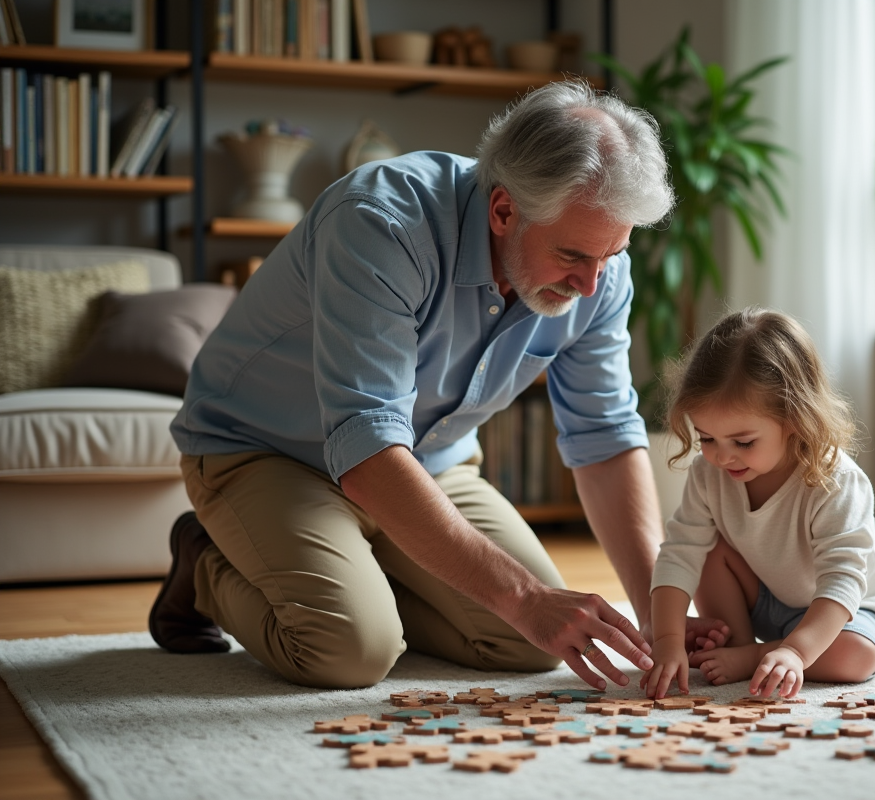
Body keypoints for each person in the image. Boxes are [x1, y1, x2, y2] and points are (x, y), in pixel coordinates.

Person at [151, 79, 728, 691]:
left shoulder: (599, 271)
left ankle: (366, 570)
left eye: (609, 256)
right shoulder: (380, 222)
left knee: (531, 644)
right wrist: (523, 596)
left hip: (429, 462)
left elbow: (605, 434)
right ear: (504, 210)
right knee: (349, 650)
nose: (591, 284)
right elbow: (367, 445)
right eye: (573, 257)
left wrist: (655, 613)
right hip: (265, 450)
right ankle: (206, 563)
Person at [641, 307, 875, 700]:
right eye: (707, 438)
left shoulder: (836, 480)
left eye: (743, 442)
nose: (721, 456)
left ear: (795, 418)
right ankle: (743, 644)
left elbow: (844, 580)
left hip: (844, 611)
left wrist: (796, 651)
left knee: (858, 659)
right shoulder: (707, 474)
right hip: (766, 597)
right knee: (707, 550)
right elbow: (679, 554)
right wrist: (667, 639)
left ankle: (755, 656)